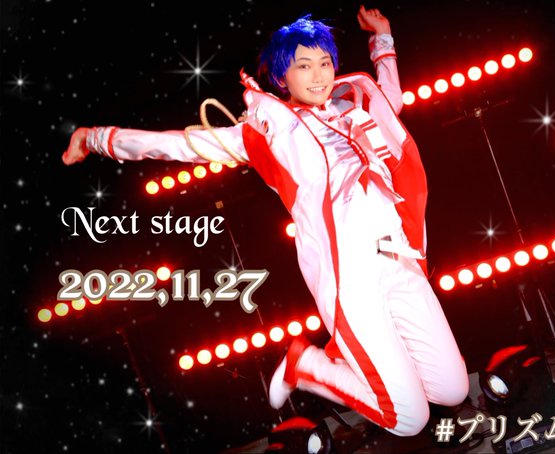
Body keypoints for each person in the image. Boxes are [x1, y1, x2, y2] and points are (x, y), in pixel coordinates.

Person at [63, 5, 469, 437]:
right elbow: (179, 145)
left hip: (400, 260)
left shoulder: (358, 107)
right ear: (281, 77)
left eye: (325, 63)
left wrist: (382, 38)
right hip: (351, 278)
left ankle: (333, 368)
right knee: (409, 420)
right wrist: (96, 138)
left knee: (452, 390)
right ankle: (306, 365)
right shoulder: (270, 134)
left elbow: (392, 97)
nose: (319, 75)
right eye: (304, 66)